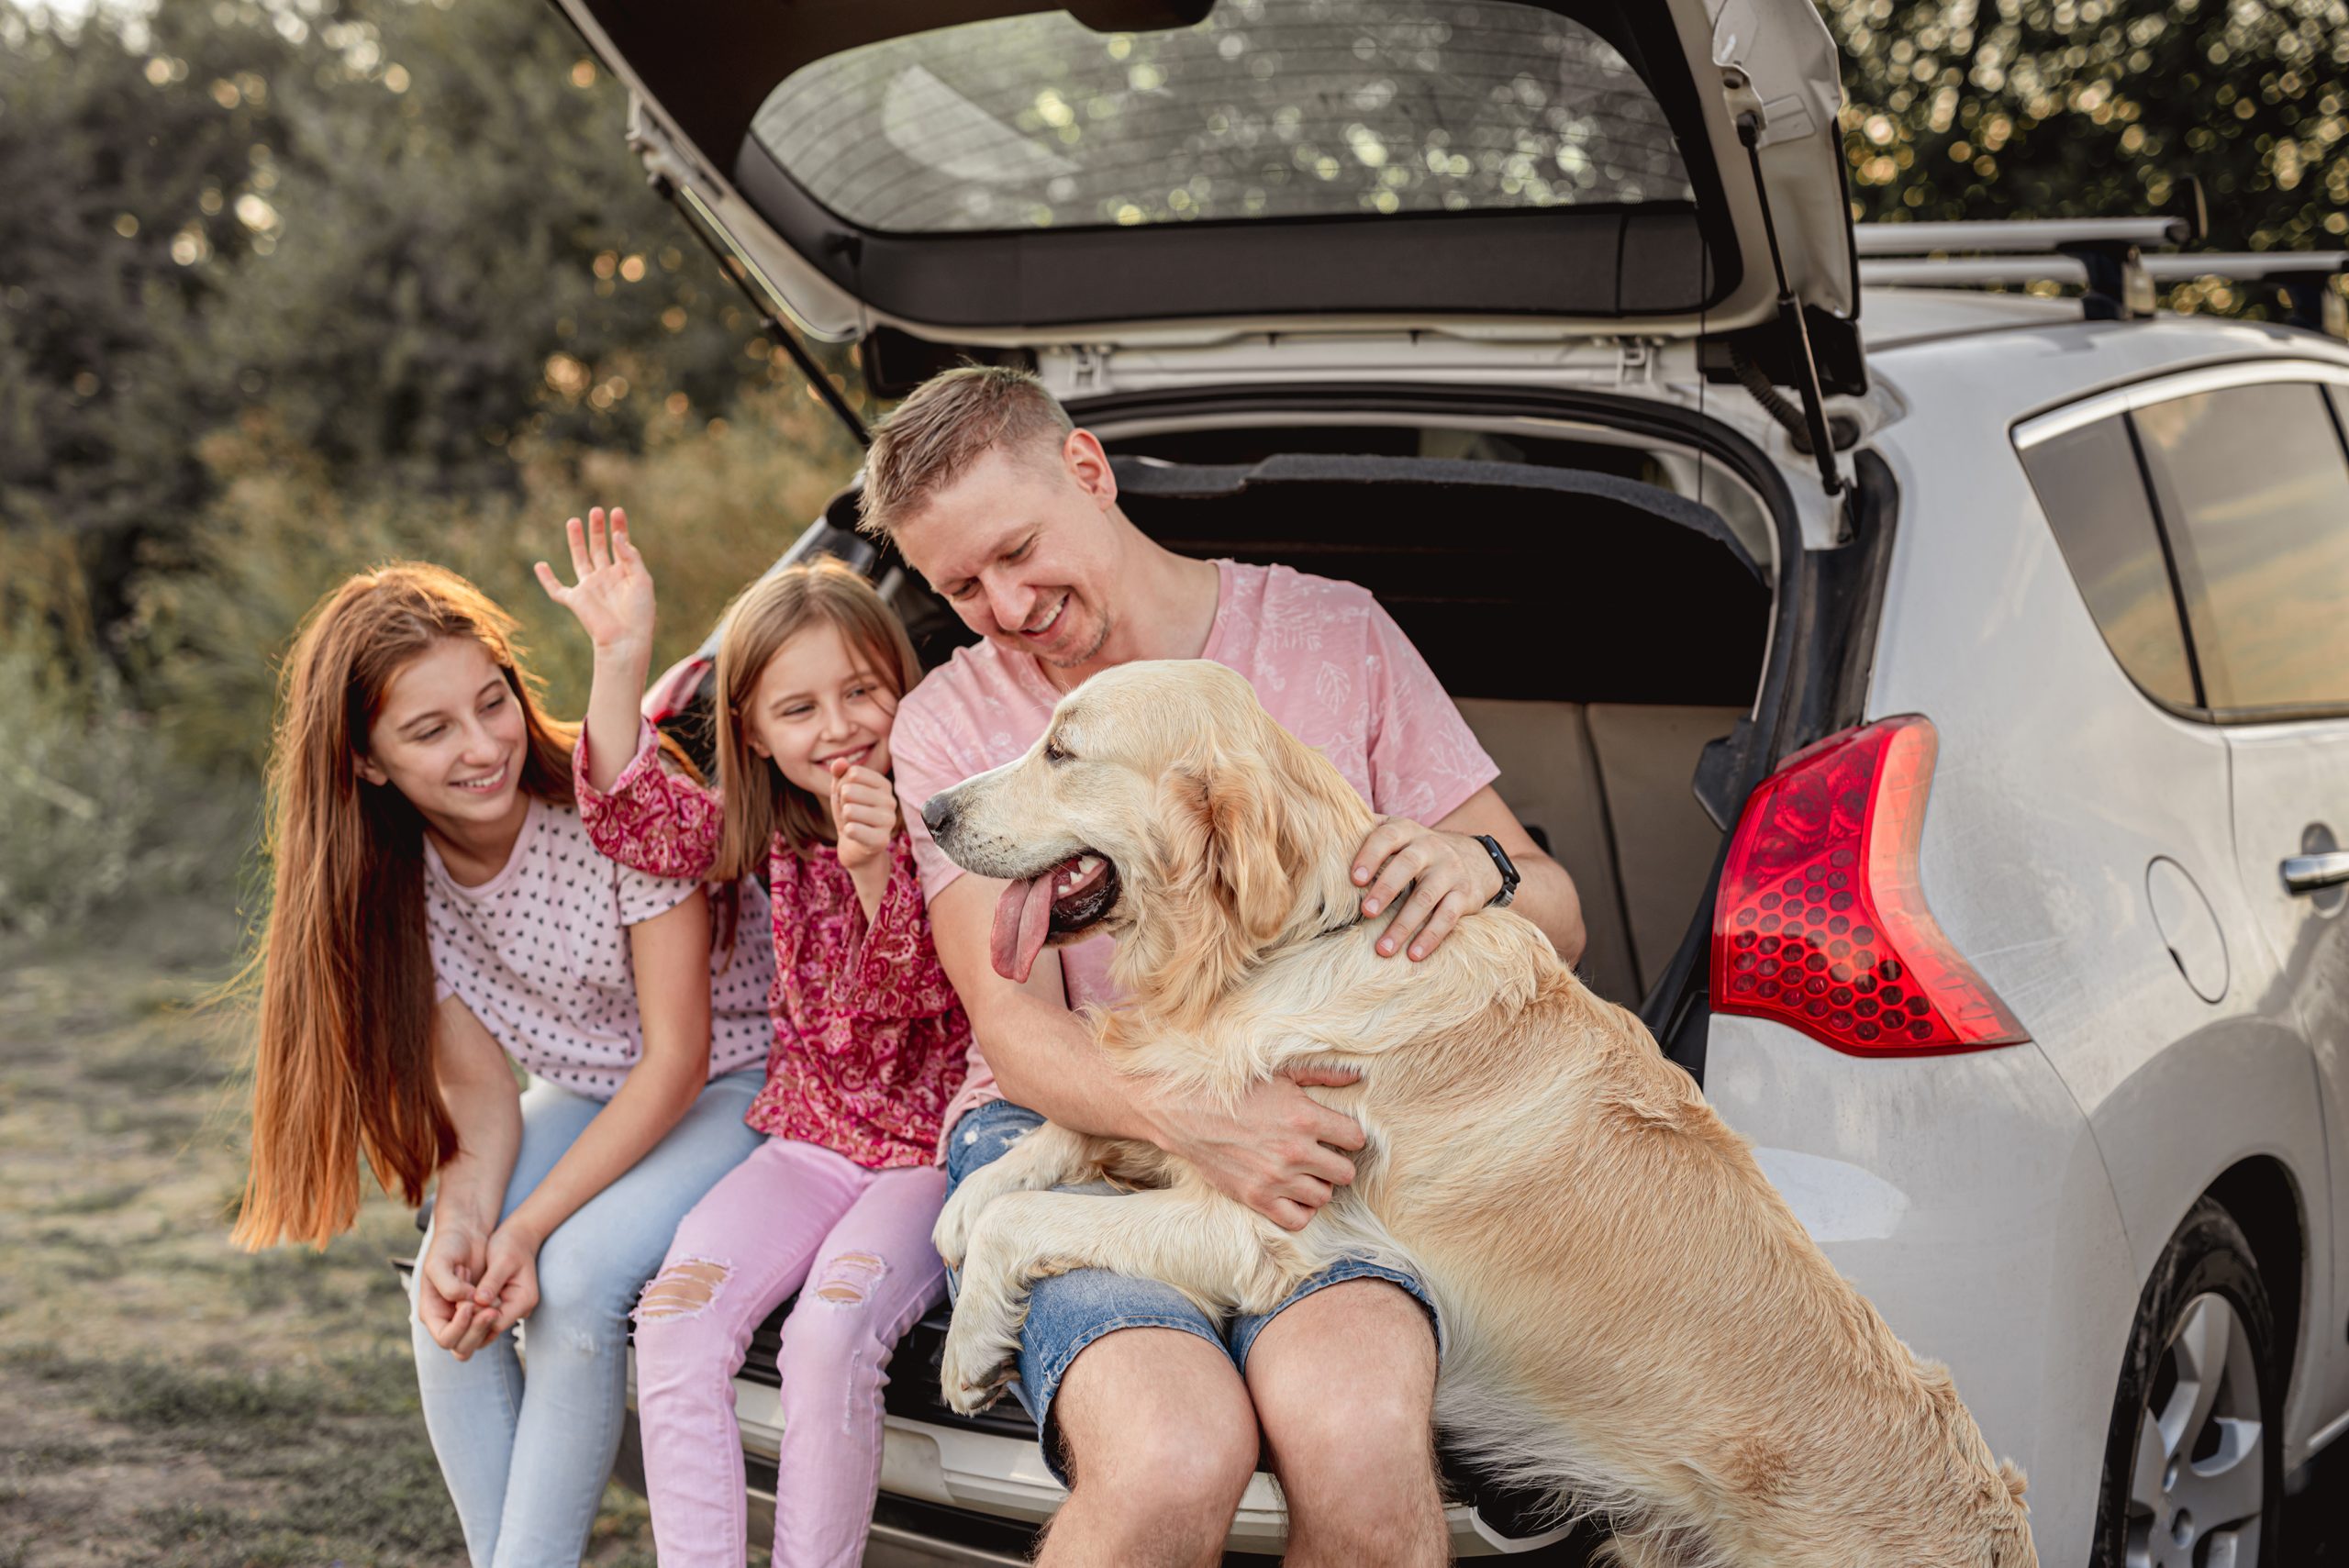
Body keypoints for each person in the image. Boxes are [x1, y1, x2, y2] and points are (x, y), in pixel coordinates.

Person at [870, 366, 1589, 1568]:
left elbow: (1556, 918)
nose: (1003, 605)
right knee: (1168, 1459)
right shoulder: (949, 723)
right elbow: (1018, 1030)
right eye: (960, 588)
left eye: (1016, 551)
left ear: (1089, 473)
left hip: (1321, 1125)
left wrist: (1484, 871)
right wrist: (1204, 1118)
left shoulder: (1332, 635)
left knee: (1359, 1439)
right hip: (1078, 1119)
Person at [233, 563, 774, 1568]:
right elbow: (481, 1100)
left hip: (740, 1078)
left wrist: (528, 1226)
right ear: (366, 762)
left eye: (492, 703)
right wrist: (475, 1222)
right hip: (589, 1089)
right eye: (431, 730)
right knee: (452, 1269)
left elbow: (678, 1057)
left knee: (572, 1274)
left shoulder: (610, 805)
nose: (483, 745)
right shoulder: (394, 881)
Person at [540, 511, 969, 1568]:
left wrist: (878, 870)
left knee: (828, 1338)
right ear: (754, 729)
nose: (839, 727)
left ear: (905, 686)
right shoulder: (763, 820)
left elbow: (907, 1004)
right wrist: (619, 655)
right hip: (807, 1141)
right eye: (798, 706)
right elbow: (630, 817)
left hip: (928, 1156)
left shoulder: (954, 818)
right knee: (677, 1323)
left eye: (863, 691)